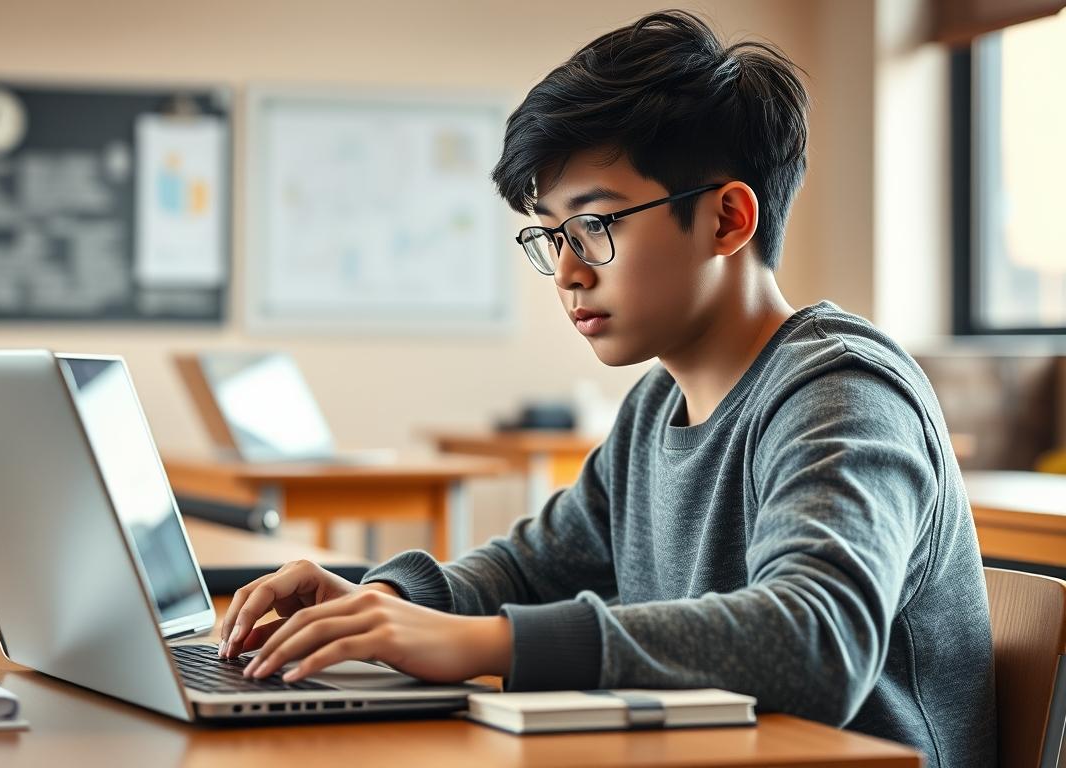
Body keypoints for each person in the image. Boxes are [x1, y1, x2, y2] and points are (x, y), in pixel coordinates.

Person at [217, 9, 994, 765]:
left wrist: (485, 644)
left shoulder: (844, 393)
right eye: (553, 234)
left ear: (727, 220)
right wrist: (382, 605)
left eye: (595, 225)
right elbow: (530, 569)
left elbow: (815, 641)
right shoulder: (657, 405)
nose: (566, 272)